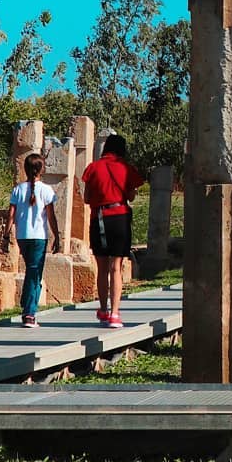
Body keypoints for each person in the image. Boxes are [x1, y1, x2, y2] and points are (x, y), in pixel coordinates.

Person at [81, 133, 144, 328]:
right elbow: (131, 196)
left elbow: (87, 198)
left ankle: (103, 309)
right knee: (116, 266)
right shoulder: (127, 168)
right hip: (120, 218)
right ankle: (115, 314)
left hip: (99, 217)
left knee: (102, 268)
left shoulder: (93, 168)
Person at [3, 152, 61, 328]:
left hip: (22, 236)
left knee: (32, 272)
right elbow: (51, 217)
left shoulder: (18, 189)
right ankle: (29, 313)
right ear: (41, 169)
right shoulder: (46, 190)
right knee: (34, 274)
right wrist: (57, 235)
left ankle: (27, 304)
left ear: (26, 169)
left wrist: (6, 232)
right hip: (38, 237)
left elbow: (11, 214)